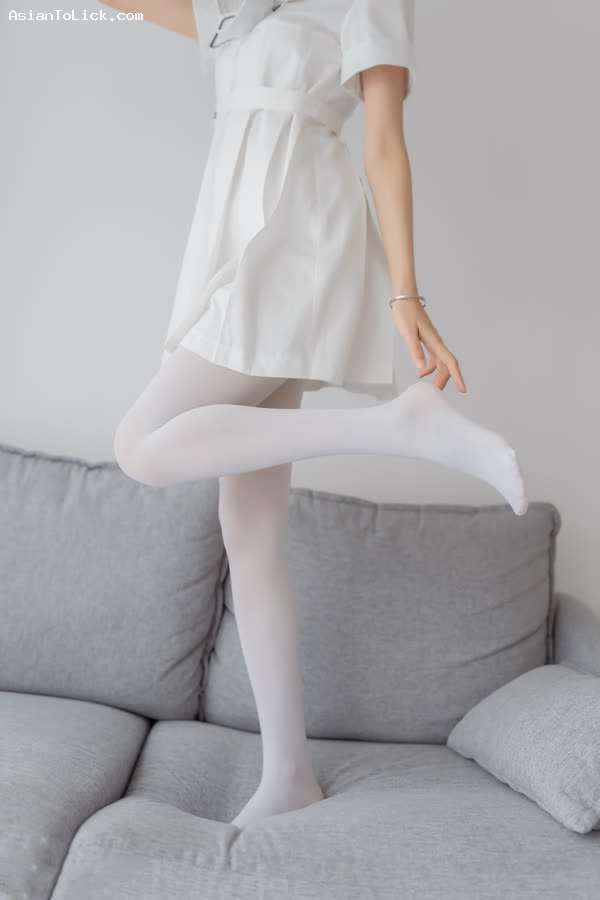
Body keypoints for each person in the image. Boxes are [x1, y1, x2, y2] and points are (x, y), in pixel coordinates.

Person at [105, 0, 528, 828]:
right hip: (237, 248)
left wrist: (407, 294)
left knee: (141, 445)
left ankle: (398, 427)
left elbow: (384, 143)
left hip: (293, 238)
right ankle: (290, 775)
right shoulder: (234, 11)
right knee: (251, 530)